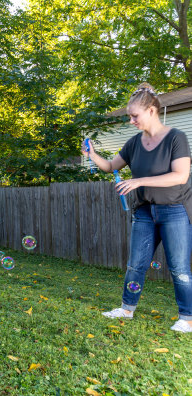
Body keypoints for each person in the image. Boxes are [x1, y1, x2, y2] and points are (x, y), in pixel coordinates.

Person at [84, 82, 192, 333]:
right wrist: (92, 155)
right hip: (144, 211)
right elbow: (111, 166)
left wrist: (139, 180)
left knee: (179, 268)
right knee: (135, 264)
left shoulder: (177, 137)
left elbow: (180, 175)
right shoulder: (134, 143)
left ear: (152, 111)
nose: (131, 121)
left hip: (174, 209)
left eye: (135, 116)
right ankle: (126, 308)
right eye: (129, 116)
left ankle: (187, 319)